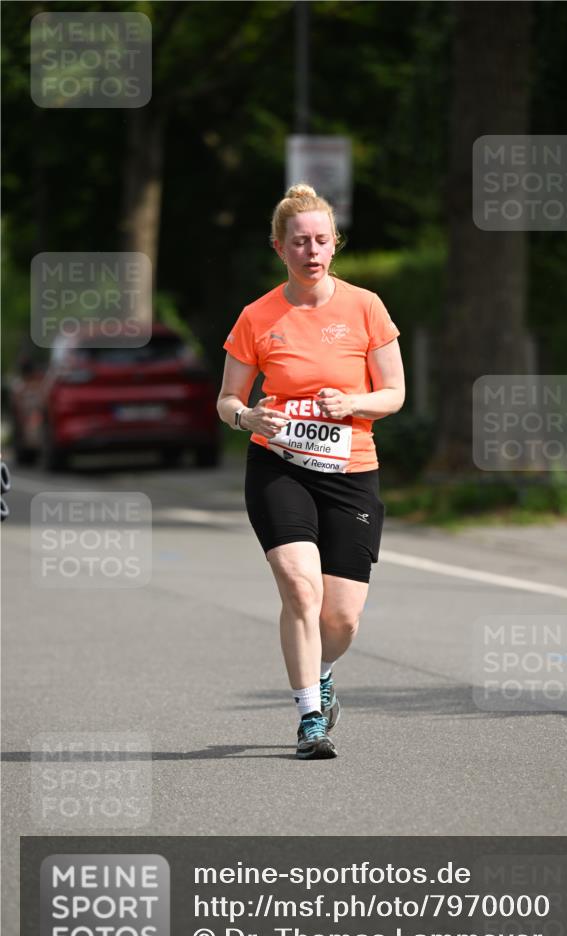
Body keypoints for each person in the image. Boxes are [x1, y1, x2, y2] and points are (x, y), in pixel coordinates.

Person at [217, 184, 405, 759]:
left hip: (350, 469)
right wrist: (250, 416)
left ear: (335, 244)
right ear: (280, 248)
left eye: (322, 240)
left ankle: (321, 672)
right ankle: (310, 717)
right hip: (279, 467)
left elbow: (394, 394)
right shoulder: (258, 316)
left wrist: (352, 404)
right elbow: (226, 400)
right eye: (300, 241)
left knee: (341, 617)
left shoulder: (366, 307)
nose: (312, 250)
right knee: (301, 586)